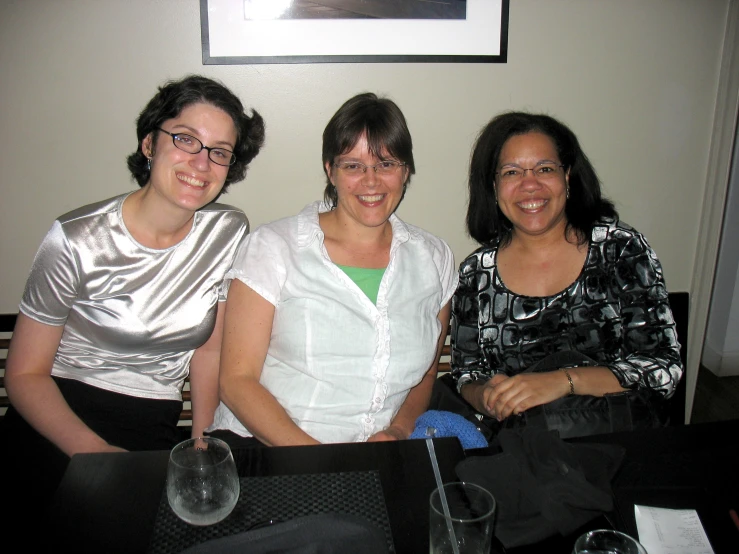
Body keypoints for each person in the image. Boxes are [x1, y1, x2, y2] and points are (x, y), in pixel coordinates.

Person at [1, 75, 265, 506]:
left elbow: (209, 351)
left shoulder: (228, 231)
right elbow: (24, 374)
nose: (201, 164)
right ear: (149, 144)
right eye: (185, 139)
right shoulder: (75, 238)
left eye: (219, 152)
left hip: (154, 425)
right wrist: (95, 453)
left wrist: (204, 440)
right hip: (57, 415)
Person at [207, 93, 457, 447]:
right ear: (330, 170)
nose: (371, 182)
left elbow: (427, 374)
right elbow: (236, 381)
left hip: (377, 456)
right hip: (265, 449)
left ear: (406, 170)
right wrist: (322, 462)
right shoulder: (274, 248)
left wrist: (398, 431)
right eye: (353, 166)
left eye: (386, 164)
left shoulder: (434, 259)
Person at [450, 111, 683, 424]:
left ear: (568, 177)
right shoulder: (476, 274)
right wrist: (488, 397)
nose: (529, 185)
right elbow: (468, 374)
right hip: (525, 445)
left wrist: (563, 382)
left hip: (619, 437)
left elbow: (663, 367)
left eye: (544, 169)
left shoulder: (620, 250)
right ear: (493, 187)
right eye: (511, 173)